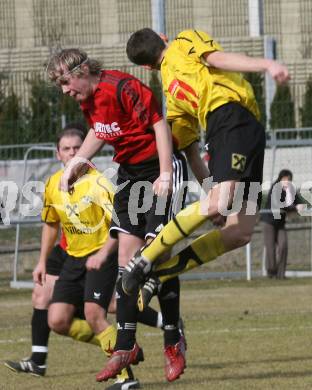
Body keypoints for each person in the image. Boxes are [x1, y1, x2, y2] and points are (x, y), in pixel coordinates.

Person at [46, 49, 188, 383]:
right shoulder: (88, 101)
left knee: (154, 255)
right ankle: (126, 345)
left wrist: (165, 174)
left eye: (66, 82)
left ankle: (172, 339)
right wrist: (74, 164)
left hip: (158, 168)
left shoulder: (123, 87)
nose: (65, 91)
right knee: (128, 262)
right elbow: (99, 131)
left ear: (82, 71)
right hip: (130, 173)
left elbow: (159, 125)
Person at [121, 29, 290, 304]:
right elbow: (218, 58)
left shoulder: (170, 96)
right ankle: (144, 259)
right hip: (229, 118)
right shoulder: (185, 39)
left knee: (240, 231)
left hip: (247, 129)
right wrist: (267, 64)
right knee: (217, 204)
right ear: (164, 37)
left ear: (146, 67)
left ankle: (160, 274)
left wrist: (213, 194)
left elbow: (191, 153)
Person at [4, 124, 163, 390]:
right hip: (73, 258)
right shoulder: (53, 184)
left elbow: (122, 220)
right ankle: (120, 345)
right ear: (58, 154)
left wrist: (109, 253)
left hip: (102, 254)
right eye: (66, 149)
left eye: (78, 148)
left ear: (86, 152)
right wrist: (42, 260)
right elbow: (51, 224)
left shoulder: (98, 182)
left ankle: (126, 378)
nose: (72, 153)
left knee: (95, 312)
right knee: (57, 319)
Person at [260, 169, 304, 279]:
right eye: (284, 178)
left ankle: (281, 274)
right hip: (269, 221)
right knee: (270, 248)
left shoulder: (291, 190)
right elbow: (280, 204)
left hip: (280, 223)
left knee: (283, 245)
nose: (286, 181)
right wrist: (294, 208)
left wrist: (300, 206)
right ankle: (271, 272)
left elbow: (297, 200)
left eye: (288, 179)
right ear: (280, 178)